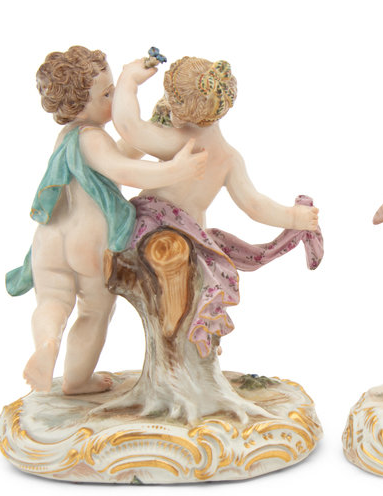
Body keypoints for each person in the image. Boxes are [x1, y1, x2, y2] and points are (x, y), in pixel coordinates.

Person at [7, 46, 207, 394]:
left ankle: (47, 343)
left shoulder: (68, 137)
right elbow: (121, 169)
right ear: (79, 103)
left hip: (49, 240)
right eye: (107, 94)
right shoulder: (93, 138)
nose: (113, 100)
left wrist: (152, 127)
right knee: (93, 312)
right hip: (89, 241)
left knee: (52, 300)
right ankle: (76, 380)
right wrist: (176, 169)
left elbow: (117, 156)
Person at [111, 55, 321, 356]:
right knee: (203, 272)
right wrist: (294, 217)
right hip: (193, 238)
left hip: (151, 227)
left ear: (180, 107)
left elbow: (128, 126)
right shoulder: (229, 158)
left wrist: (129, 80)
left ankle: (187, 333)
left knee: (183, 276)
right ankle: (197, 329)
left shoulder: (176, 141)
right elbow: (254, 205)